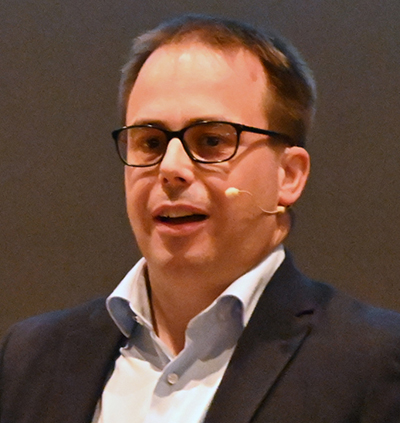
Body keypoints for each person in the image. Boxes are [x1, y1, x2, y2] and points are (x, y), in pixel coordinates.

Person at [1, 14, 400, 423]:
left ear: (288, 176)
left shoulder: (374, 363)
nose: (171, 168)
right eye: (150, 142)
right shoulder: (31, 358)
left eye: (211, 140)